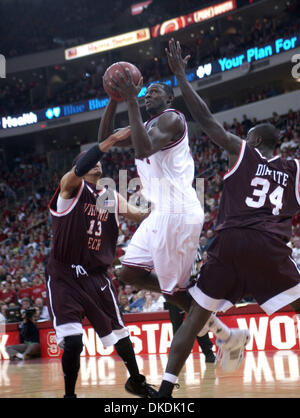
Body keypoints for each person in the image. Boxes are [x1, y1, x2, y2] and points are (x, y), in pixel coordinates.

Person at [151, 38, 300, 398]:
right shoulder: (295, 168)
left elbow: (204, 119)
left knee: (195, 319)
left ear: (254, 139)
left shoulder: (243, 150)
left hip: (230, 243)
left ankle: (165, 392)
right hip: (269, 246)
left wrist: (182, 79)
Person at [101, 63, 245, 372]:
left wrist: (129, 101)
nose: (148, 94)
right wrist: (113, 99)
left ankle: (226, 335)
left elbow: (141, 151)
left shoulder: (170, 119)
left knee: (175, 293)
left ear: (169, 99)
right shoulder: (147, 124)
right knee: (128, 274)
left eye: (155, 91)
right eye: (146, 91)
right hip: (159, 213)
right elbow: (104, 141)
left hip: (178, 211)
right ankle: (225, 332)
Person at [46, 129, 157, 398]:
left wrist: (162, 202)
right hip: (65, 274)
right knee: (72, 342)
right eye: (89, 161)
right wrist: (109, 142)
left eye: (99, 161)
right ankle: (69, 395)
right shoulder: (69, 189)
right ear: (79, 167)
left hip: (96, 276)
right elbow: (82, 167)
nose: (97, 164)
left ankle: (136, 381)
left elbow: (140, 214)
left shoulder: (110, 197)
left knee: (121, 333)